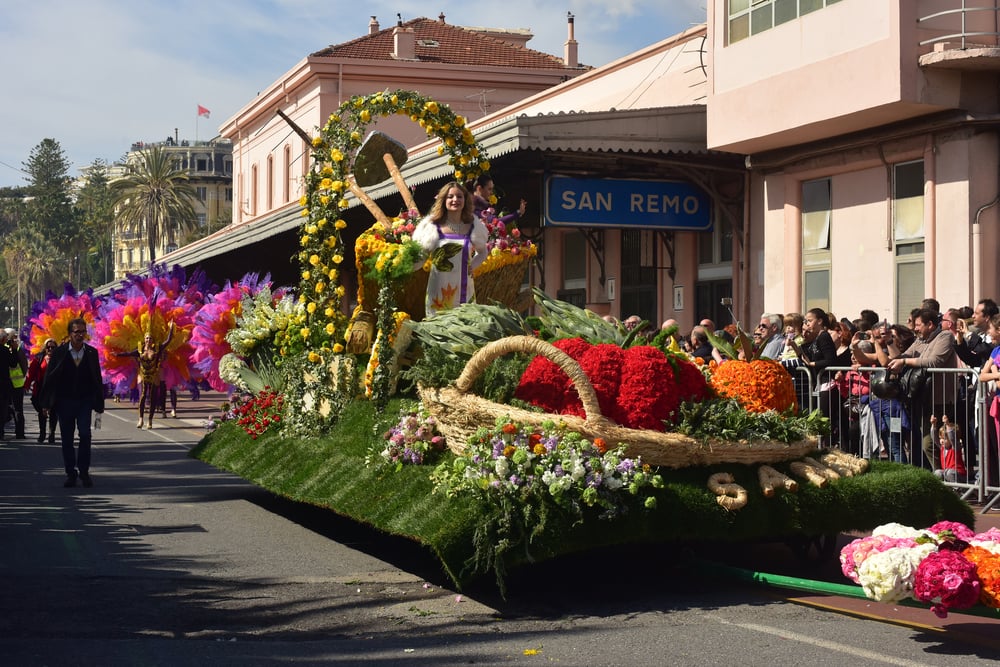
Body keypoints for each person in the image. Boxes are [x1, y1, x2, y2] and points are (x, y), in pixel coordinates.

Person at [886, 308, 958, 469]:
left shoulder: (944, 337)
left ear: (930, 324)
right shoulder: (920, 340)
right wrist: (889, 342)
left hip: (940, 400)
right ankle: (938, 476)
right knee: (925, 443)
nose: (915, 328)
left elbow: (934, 361)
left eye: (918, 325)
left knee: (933, 443)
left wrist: (905, 362)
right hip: (922, 399)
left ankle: (944, 477)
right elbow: (901, 357)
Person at [38, 318, 105, 488]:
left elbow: (97, 378)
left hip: (84, 401)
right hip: (64, 402)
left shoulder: (91, 353)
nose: (80, 335)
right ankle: (71, 473)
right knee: (67, 439)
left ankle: (84, 472)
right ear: (70, 334)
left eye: (83, 331)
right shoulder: (60, 353)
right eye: (76, 332)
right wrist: (46, 403)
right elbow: (50, 378)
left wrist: (98, 402)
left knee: (85, 434)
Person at [413, 181, 488, 317]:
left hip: (465, 291)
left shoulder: (473, 226)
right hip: (438, 294)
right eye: (450, 197)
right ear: (443, 200)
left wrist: (473, 266)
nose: (455, 200)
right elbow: (421, 258)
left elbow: (483, 252)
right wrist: (403, 263)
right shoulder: (432, 227)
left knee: (464, 331)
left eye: (459, 196)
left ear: (465, 200)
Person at [118, 322, 174, 429]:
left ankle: (150, 420)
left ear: (153, 340)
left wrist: (171, 328)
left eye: (150, 338)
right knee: (143, 396)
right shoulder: (139, 350)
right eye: (147, 338)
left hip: (154, 376)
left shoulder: (157, 349)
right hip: (143, 375)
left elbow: (168, 341)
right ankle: (141, 419)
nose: (149, 340)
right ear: (144, 339)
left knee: (153, 397)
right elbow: (128, 354)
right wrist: (116, 354)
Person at [24, 338, 58, 443]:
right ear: (45, 348)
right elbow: (31, 374)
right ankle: (42, 434)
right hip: (40, 390)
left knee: (54, 412)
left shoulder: (59, 359)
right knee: (41, 412)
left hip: (54, 390)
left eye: (53, 347)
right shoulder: (38, 358)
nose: (50, 349)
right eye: (48, 347)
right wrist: (26, 385)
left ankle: (51, 434)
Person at [954, 298, 997, 368]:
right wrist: (960, 341)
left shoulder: (997, 338)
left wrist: (967, 333)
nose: (973, 316)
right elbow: (973, 360)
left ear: (987, 317)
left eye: (976, 313)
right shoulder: (981, 335)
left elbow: (985, 349)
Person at [930, 414, 967, 482]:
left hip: (960, 475)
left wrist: (947, 424)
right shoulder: (942, 447)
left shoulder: (955, 447)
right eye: (941, 438)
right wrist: (933, 425)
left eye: (944, 439)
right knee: (937, 472)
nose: (941, 441)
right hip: (948, 473)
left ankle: (958, 490)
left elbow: (952, 438)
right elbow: (934, 438)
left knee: (949, 472)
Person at [6, 328, 28, 439]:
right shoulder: (5, 349)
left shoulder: (18, 350)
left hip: (16, 383)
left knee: (18, 410)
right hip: (8, 384)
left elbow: (24, 366)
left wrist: (23, 377)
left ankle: (20, 433)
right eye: (13, 337)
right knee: (12, 408)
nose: (15, 339)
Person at [0, 330, 14, 440]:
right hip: (3, 385)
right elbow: (13, 364)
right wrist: (13, 350)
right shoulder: (5, 350)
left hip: (3, 385)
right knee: (2, 409)